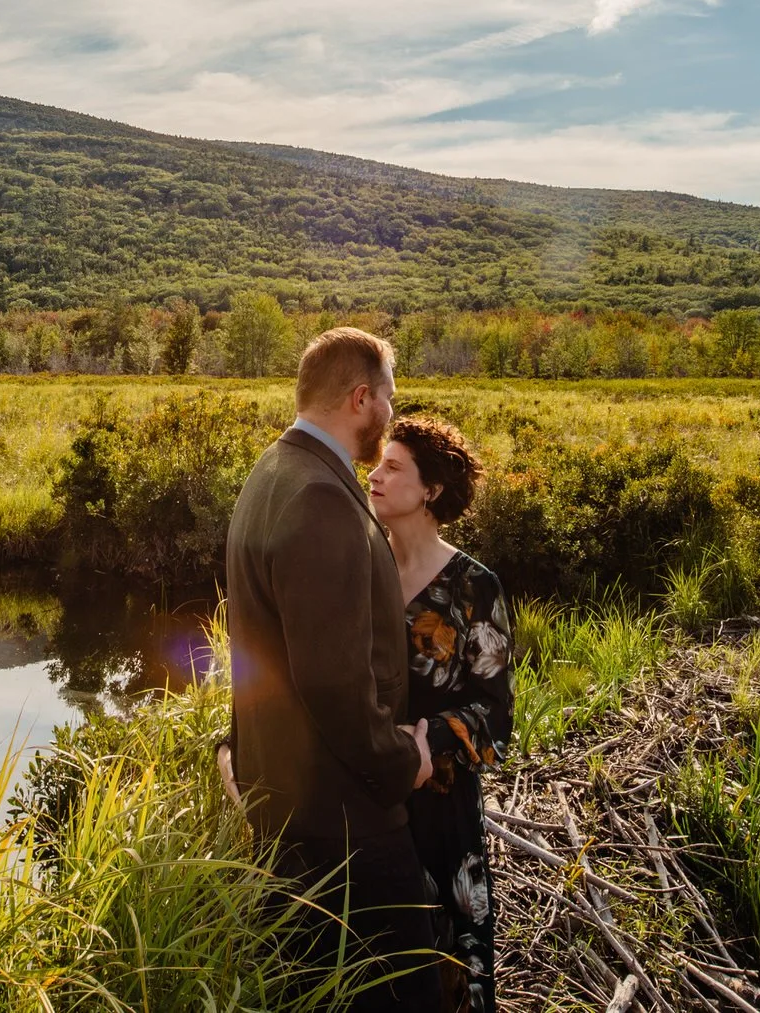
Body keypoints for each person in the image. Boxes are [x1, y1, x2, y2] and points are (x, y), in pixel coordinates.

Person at [223, 327, 440, 1013]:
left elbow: (263, 648)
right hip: (343, 824)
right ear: (359, 397)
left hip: (290, 811)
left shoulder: (271, 472)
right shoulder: (317, 496)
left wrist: (236, 745)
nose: (391, 413)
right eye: (388, 398)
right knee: (409, 998)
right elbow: (331, 679)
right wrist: (404, 762)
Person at [367, 416, 512, 1013]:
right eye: (376, 463)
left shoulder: (475, 587)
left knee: (448, 965)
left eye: (392, 467)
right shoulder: (364, 569)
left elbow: (495, 716)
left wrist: (430, 748)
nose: (373, 475)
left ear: (430, 491)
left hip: (442, 805)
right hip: (372, 798)